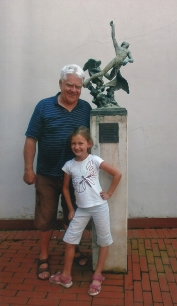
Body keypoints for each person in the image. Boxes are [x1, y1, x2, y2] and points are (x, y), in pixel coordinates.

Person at [23, 64, 92, 280]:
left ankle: (75, 247)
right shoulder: (43, 107)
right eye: (69, 85)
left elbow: (91, 141)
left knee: (75, 215)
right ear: (60, 84)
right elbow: (31, 138)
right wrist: (28, 168)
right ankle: (44, 255)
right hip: (47, 175)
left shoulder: (86, 108)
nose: (73, 90)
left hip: (76, 177)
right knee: (46, 217)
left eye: (78, 86)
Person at [49, 126, 122, 296]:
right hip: (81, 209)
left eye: (80, 143)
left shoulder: (95, 160)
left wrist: (109, 193)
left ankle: (97, 276)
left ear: (88, 144)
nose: (77, 146)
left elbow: (117, 174)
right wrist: (70, 208)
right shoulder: (69, 165)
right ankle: (66, 276)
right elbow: (65, 189)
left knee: (103, 240)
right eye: (74, 143)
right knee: (69, 239)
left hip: (99, 207)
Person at [83, 21, 133, 87]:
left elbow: (132, 59)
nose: (128, 44)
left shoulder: (128, 51)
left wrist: (127, 60)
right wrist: (113, 26)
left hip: (118, 65)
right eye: (127, 43)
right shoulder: (118, 48)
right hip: (115, 61)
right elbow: (113, 37)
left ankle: (99, 70)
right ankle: (88, 80)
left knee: (110, 78)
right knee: (103, 73)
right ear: (124, 44)